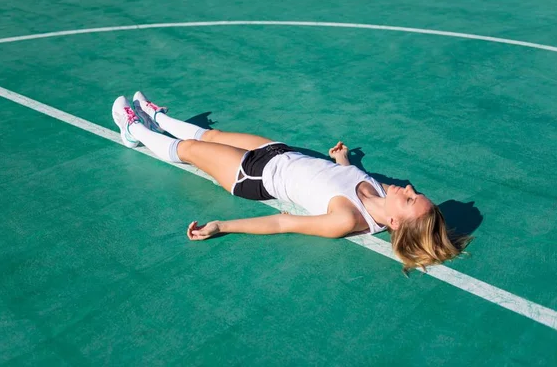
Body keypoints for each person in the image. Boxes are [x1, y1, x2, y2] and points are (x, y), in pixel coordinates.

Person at [112, 92, 470, 272]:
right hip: (276, 152)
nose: (407, 189)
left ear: (393, 223)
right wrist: (343, 160)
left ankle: (134, 130)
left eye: (408, 200)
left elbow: (284, 222)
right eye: (415, 193)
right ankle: (157, 117)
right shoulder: (379, 191)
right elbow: (342, 177)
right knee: (211, 135)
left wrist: (222, 225)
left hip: (253, 176)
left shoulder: (347, 219)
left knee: (191, 149)